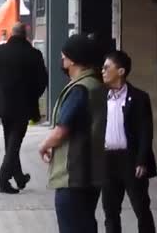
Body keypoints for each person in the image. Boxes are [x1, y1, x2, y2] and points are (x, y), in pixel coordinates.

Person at [39, 34, 107, 233]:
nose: (62, 60)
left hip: (73, 172)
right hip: (91, 170)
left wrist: (43, 145)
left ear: (73, 59)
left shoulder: (79, 89)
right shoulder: (97, 85)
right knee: (86, 224)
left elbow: (62, 129)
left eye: (64, 56)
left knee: (72, 226)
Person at [0, 22, 48, 194]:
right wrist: (33, 95)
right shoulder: (34, 54)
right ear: (25, 34)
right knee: (14, 143)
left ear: (12, 34)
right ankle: (3, 180)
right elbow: (43, 80)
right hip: (24, 104)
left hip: (3, 102)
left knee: (10, 141)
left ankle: (19, 177)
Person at [101, 50, 157, 233]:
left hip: (131, 160)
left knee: (141, 208)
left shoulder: (139, 98)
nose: (102, 71)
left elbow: (145, 132)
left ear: (121, 71)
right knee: (110, 211)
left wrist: (141, 160)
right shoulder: (100, 97)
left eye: (107, 67)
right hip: (107, 159)